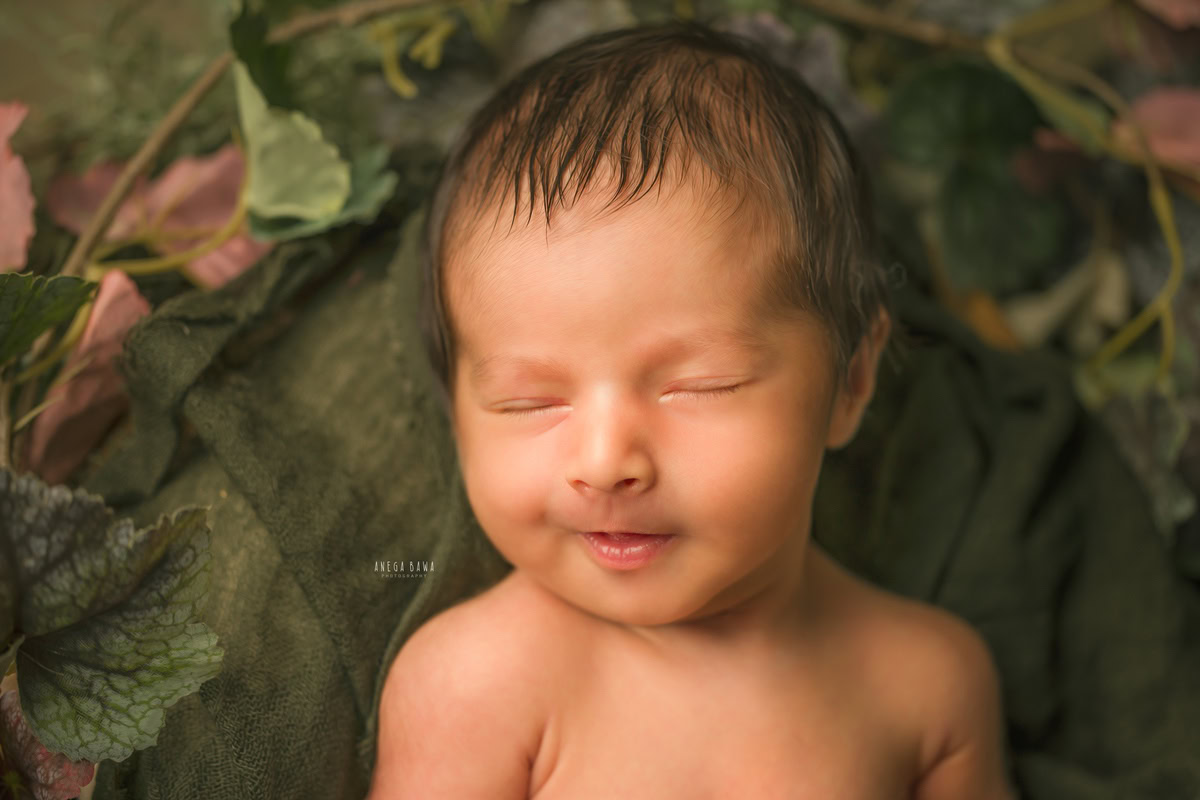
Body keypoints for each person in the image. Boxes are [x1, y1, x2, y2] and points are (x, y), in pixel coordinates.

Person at [368, 19, 1017, 799]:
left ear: (850, 380)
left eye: (698, 385)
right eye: (528, 401)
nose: (605, 461)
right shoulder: (478, 686)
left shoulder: (927, 688)